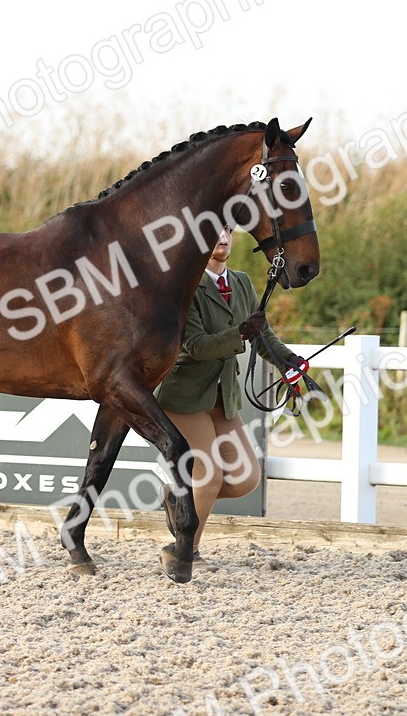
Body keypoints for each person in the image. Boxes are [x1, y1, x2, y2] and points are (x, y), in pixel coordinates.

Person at [155, 226, 304, 568]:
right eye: (213, 233)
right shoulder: (185, 287)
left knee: (245, 478)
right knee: (208, 476)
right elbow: (195, 346)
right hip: (185, 395)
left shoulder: (241, 283)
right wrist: (239, 333)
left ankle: (179, 500)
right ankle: (185, 552)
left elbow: (262, 335)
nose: (222, 238)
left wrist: (288, 361)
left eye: (227, 232)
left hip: (224, 396)